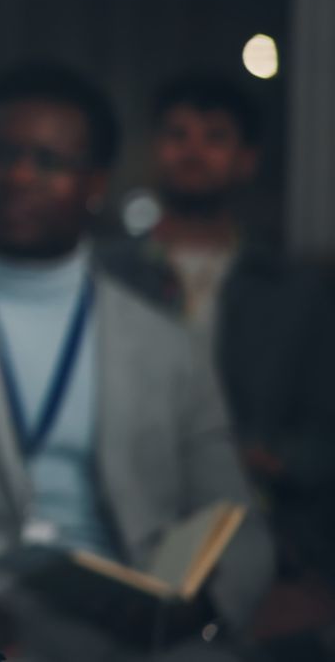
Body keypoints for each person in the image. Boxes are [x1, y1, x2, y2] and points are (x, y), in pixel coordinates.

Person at [0, 66, 272, 661]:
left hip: (133, 621)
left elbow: (233, 517)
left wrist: (205, 607)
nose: (17, 175)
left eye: (47, 160)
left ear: (95, 182)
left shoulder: (162, 343)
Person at [101, 75, 335, 584]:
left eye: (215, 137)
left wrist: (269, 457)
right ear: (155, 151)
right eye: (178, 134)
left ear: (247, 159)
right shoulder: (105, 277)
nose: (193, 151)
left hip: (268, 526)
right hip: (124, 518)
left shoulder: (295, 293)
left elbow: (325, 431)